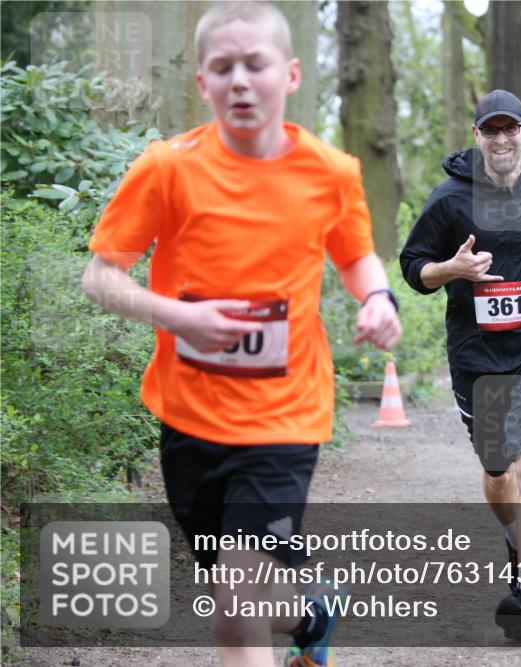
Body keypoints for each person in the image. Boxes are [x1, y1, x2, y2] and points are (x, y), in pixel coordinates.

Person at [80, 3, 402, 665]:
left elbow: (354, 254)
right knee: (236, 595)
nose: (240, 81)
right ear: (202, 83)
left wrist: (376, 296)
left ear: (289, 74)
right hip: (189, 419)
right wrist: (177, 315)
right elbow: (99, 277)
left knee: (235, 604)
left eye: (255, 65)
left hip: (285, 418)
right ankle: (314, 611)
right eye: (222, 68)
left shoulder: (330, 171)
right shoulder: (167, 169)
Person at [399, 89, 521, 642]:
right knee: (498, 474)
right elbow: (412, 268)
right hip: (478, 355)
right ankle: (513, 540)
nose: (501, 139)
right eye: (490, 130)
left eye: (510, 129)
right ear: (477, 135)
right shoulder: (451, 198)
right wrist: (450, 268)